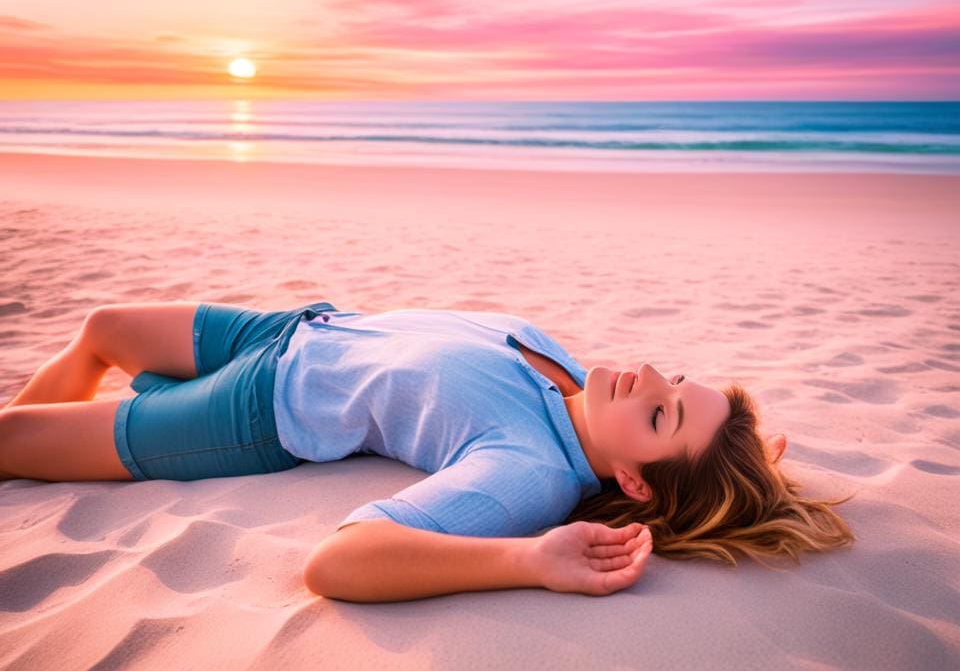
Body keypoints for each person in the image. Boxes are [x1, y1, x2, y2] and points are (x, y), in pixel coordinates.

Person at [0, 300, 856, 602]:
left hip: (262, 405)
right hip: (296, 325)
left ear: (632, 479)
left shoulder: (528, 470)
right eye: (677, 380)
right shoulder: (568, 377)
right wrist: (753, 454)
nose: (650, 377)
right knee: (103, 330)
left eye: (664, 413)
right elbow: (715, 463)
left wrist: (529, 560)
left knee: (11, 440)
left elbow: (340, 563)